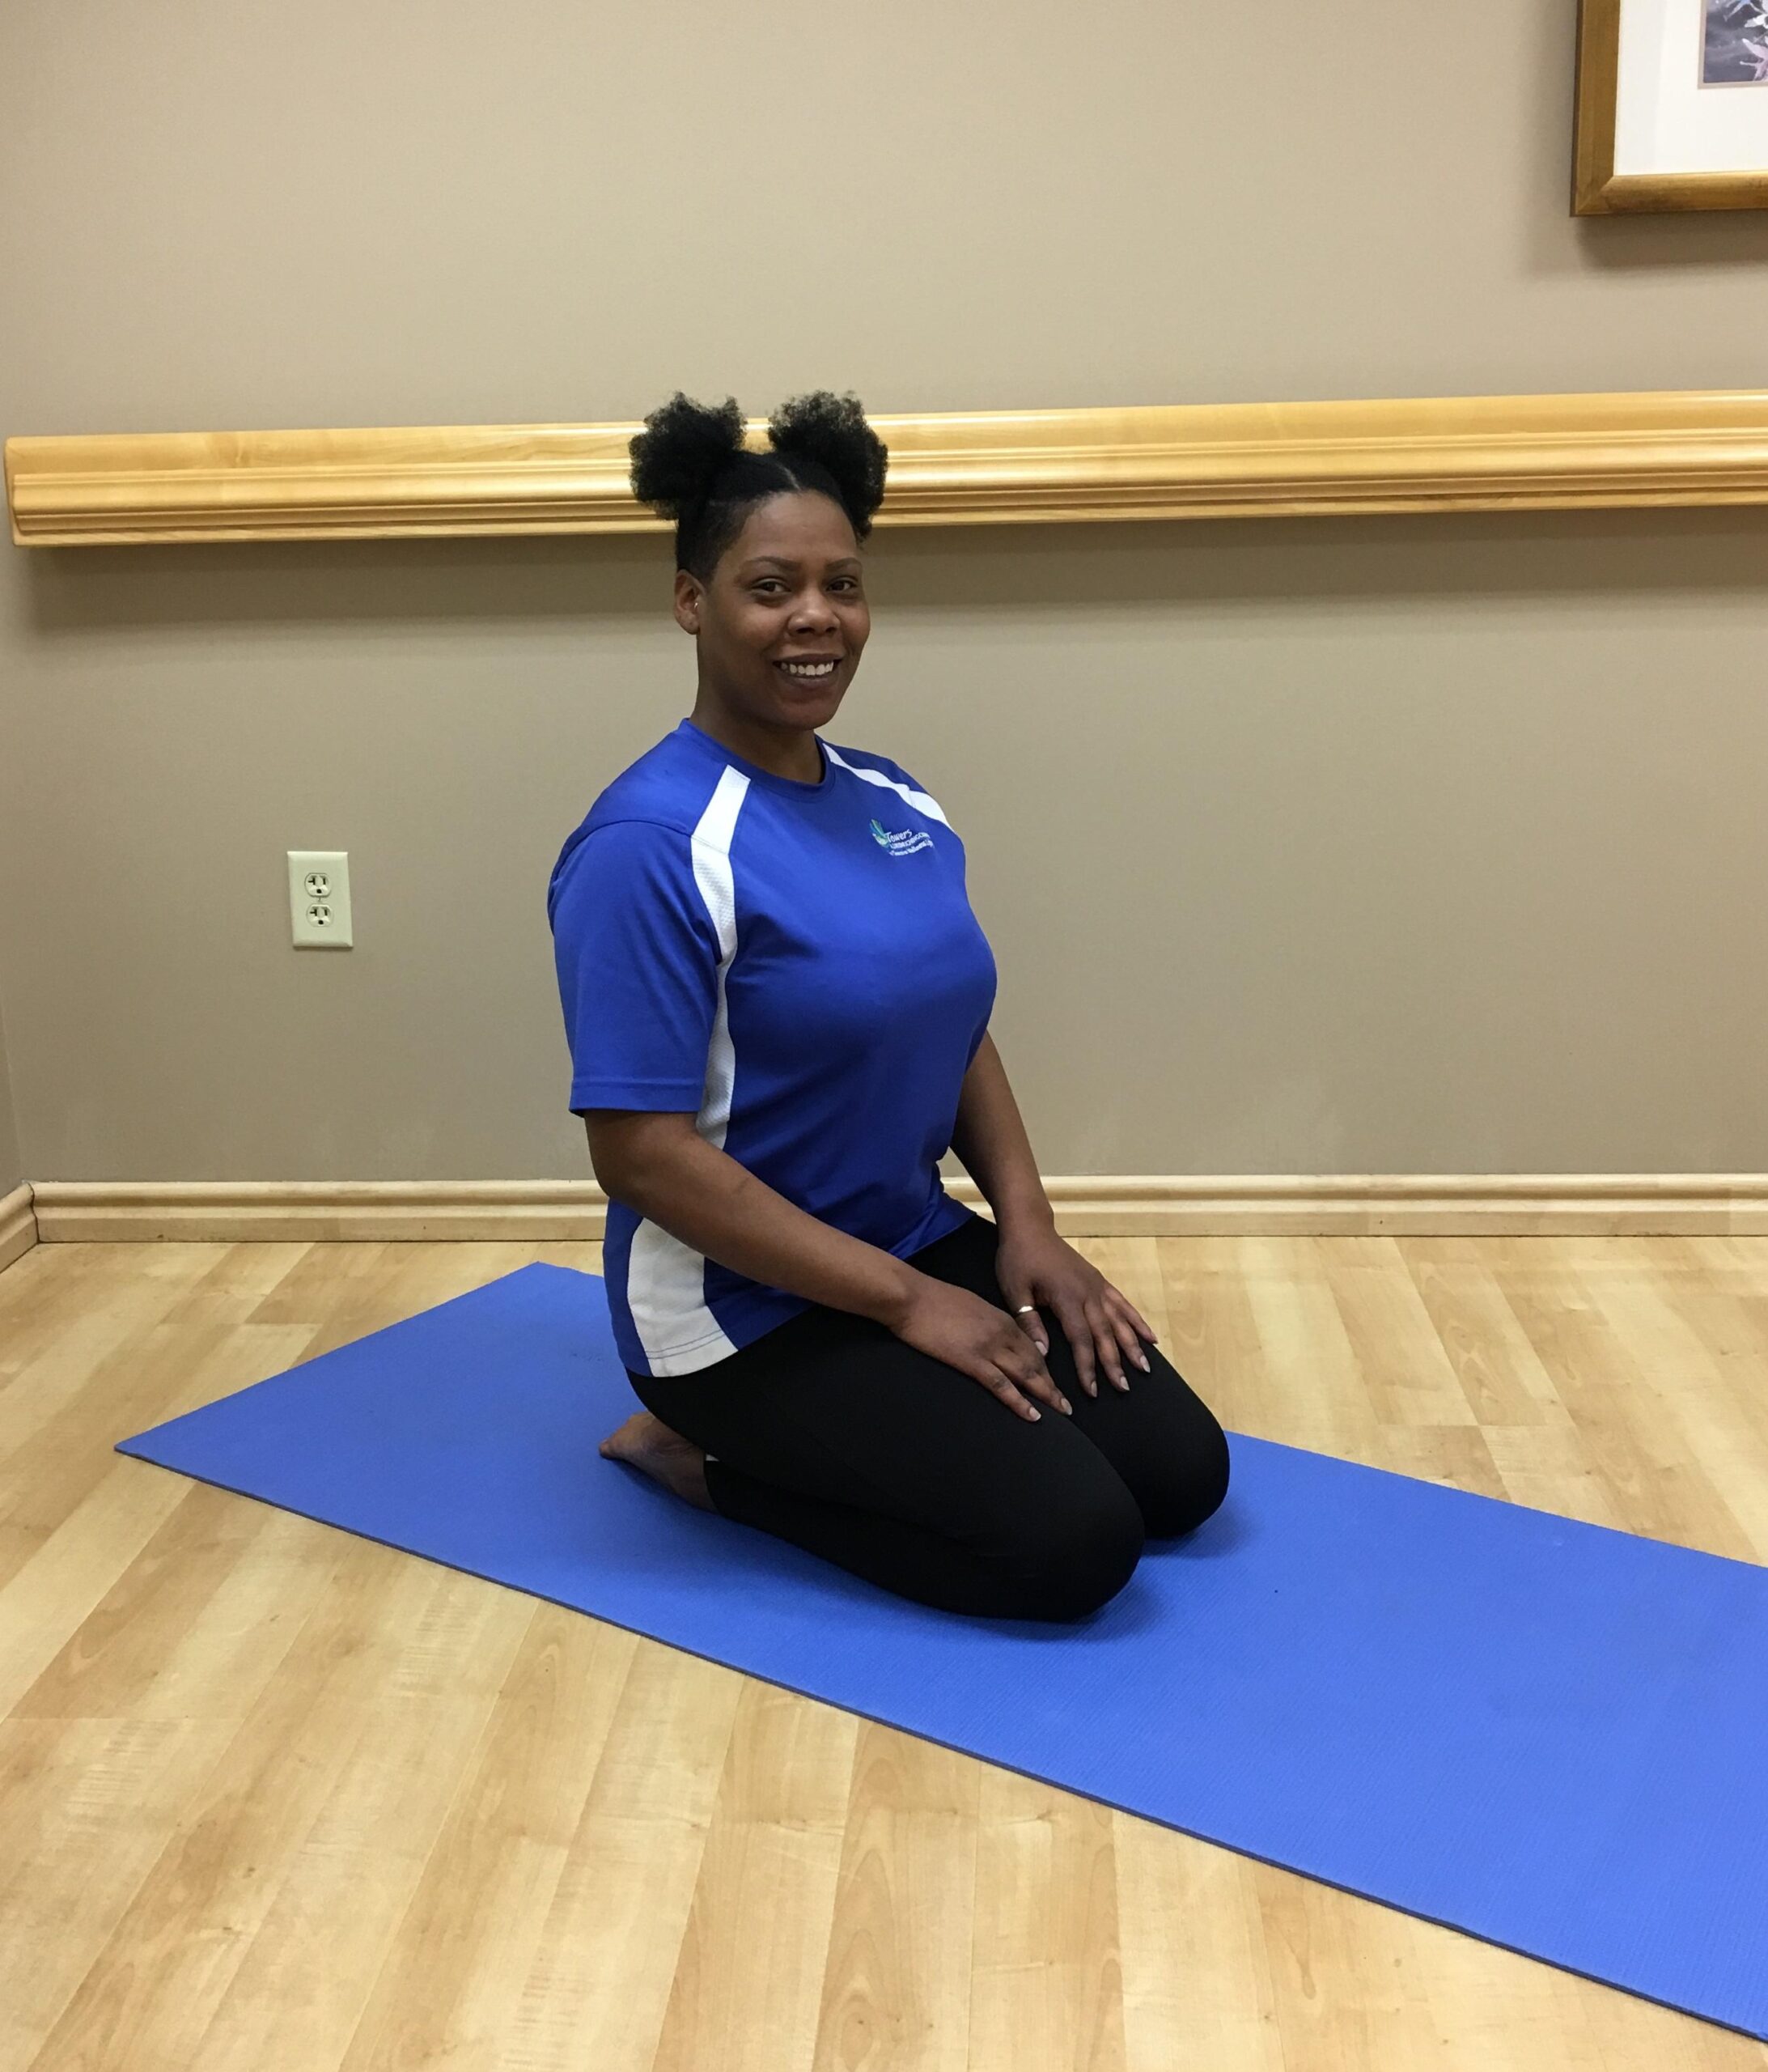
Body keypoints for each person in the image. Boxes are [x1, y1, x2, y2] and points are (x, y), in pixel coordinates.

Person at [547, 388, 1229, 1620]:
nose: (815, 618)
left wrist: (1025, 1228)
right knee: (1072, 1550)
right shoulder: (647, 843)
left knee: (1181, 1480)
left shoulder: (895, 798)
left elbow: (952, 1023)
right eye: (770, 587)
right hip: (739, 1316)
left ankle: (896, 1380)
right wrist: (915, 1308)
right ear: (693, 602)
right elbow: (639, 1158)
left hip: (904, 1239)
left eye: (842, 584)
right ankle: (697, 1461)